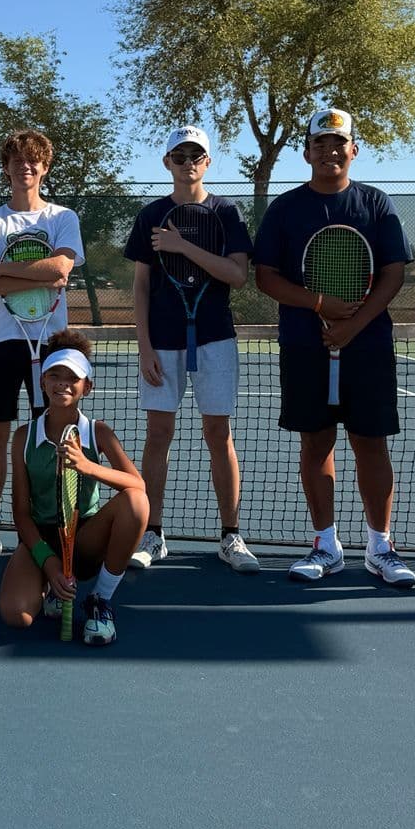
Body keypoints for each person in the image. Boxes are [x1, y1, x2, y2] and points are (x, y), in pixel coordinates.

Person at [253, 108, 415, 588]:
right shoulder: (285, 208)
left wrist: (353, 325)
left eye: (338, 143)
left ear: (353, 151)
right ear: (307, 152)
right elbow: (266, 277)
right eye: (320, 144)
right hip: (304, 347)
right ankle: (326, 545)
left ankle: (380, 547)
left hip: (367, 349)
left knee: (371, 444)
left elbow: (393, 274)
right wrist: (320, 302)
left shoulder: (376, 204)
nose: (330, 151)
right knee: (316, 442)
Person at [124, 126, 258, 573]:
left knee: (219, 435)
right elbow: (141, 287)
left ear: (207, 162)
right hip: (162, 342)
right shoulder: (150, 216)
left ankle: (230, 535)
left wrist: (182, 245)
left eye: (195, 156)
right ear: (167, 163)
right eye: (179, 156)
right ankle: (153, 533)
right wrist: (143, 345)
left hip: (216, 337)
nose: (187, 163)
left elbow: (236, 275)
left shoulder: (227, 213)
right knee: (158, 435)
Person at [0, 129, 83, 564]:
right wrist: (27, 273)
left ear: (44, 167)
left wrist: (3, 272)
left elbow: (60, 270)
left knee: (50, 439)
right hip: (1, 342)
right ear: (7, 168)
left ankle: (47, 526)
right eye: (17, 160)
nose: (25, 167)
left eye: (33, 160)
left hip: (52, 346)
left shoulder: (62, 217)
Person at [0, 331, 148, 646]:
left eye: (73, 377)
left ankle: (100, 600)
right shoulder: (23, 437)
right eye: (55, 375)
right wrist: (49, 562)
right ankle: (51, 585)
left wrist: (86, 465)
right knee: (17, 616)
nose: (63, 383)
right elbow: (22, 515)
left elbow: (137, 484)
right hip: (41, 536)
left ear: (86, 387)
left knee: (136, 503)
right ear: (41, 381)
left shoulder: (99, 433)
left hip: (86, 538)